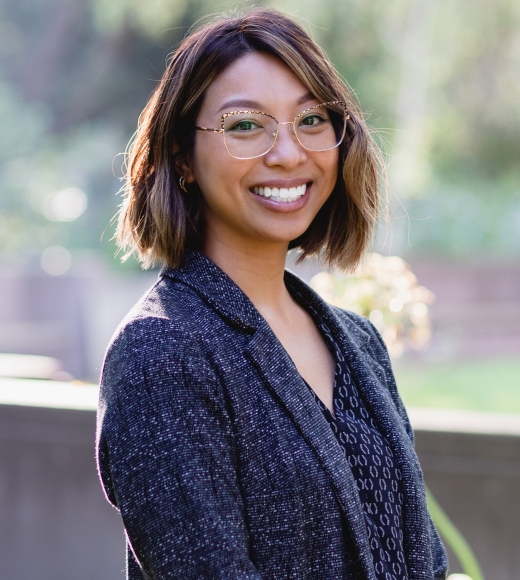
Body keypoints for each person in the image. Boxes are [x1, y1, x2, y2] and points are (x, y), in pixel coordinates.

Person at [96, 8, 447, 580]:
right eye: (244, 126)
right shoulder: (161, 353)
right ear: (183, 156)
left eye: (311, 119)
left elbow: (422, 558)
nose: (288, 153)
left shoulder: (357, 341)